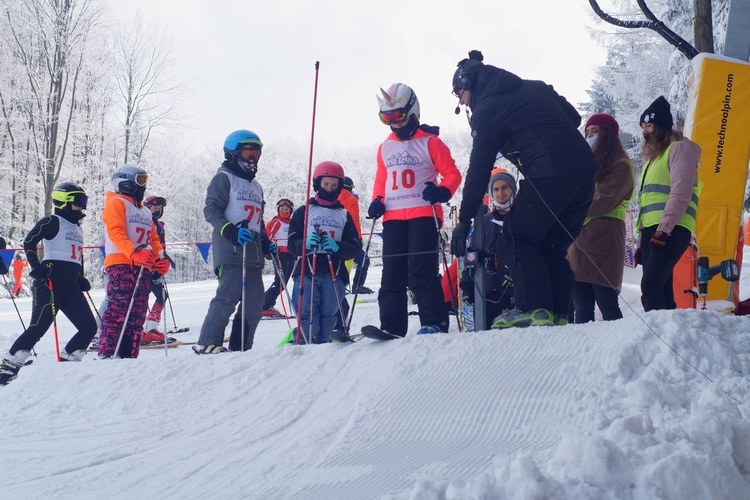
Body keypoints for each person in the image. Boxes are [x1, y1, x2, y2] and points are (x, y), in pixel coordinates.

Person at [449, 50, 597, 329]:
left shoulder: (487, 109)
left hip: (549, 172)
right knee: (551, 244)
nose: (462, 102)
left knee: (515, 237)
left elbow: (479, 168)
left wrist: (465, 219)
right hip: (586, 172)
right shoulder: (536, 87)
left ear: (468, 84)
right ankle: (558, 313)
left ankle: (535, 309)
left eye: (460, 95)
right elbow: (574, 117)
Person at [368, 83, 462, 337]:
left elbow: (452, 174)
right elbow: (382, 179)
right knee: (392, 275)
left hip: (423, 214)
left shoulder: (430, 142)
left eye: (398, 116)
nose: (394, 124)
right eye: (386, 118)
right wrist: (377, 200)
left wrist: (442, 191)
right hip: (393, 217)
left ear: (412, 111)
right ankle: (392, 326)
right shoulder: (385, 147)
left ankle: (434, 322)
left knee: (421, 271)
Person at [0, 183, 97, 385]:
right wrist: (36, 267)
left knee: (88, 327)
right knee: (38, 328)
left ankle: (68, 362)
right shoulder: (53, 221)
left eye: (84, 202)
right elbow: (29, 241)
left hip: (71, 286)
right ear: (65, 201)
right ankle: (8, 367)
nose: (83, 207)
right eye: (79, 202)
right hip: (50, 282)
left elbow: (77, 256)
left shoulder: (77, 228)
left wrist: (80, 277)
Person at [195, 130, 276, 354]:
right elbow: (211, 209)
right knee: (228, 296)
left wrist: (266, 242)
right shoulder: (224, 178)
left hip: (254, 252)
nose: (252, 159)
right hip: (231, 248)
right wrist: (229, 230)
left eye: (256, 154)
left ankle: (242, 345)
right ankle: (208, 342)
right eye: (248, 152)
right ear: (232, 154)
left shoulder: (256, 187)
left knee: (255, 303)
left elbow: (258, 220)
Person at [636, 96, 702, 311]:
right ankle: (668, 332)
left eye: (650, 125)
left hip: (671, 228)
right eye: (643, 126)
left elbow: (680, 191)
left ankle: (657, 336)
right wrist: (640, 242)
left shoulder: (679, 149)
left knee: (651, 285)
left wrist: (664, 229)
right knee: (661, 287)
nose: (646, 131)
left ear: (662, 127)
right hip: (652, 229)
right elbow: (648, 202)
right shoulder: (654, 158)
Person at [568, 113, 635, 323]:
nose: (589, 136)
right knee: (582, 308)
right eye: (587, 132)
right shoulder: (583, 166)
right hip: (578, 243)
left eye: (594, 131)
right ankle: (585, 353)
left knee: (607, 304)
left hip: (604, 241)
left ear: (608, 135)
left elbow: (602, 199)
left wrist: (571, 205)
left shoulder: (621, 165)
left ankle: (618, 349)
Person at [98, 165, 169, 359]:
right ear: (126, 182)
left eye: (145, 180)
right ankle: (108, 353)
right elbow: (116, 232)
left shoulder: (145, 212)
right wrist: (133, 251)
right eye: (140, 180)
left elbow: (152, 240)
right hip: (120, 263)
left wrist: (160, 259)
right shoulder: (117, 202)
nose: (143, 186)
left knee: (137, 313)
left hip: (142, 266)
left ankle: (129, 356)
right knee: (119, 309)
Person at [288, 161, 361, 344]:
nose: (330, 188)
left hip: (333, 272)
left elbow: (353, 247)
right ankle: (302, 341)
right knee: (306, 312)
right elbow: (291, 244)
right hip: (307, 270)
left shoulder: (344, 215)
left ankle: (324, 345)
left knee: (329, 312)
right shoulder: (303, 211)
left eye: (335, 185)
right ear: (317, 183)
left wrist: (337, 247)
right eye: (326, 184)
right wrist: (304, 244)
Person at [459, 168, 517, 328]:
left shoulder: (522, 218)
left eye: (505, 188)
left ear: (513, 190)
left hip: (515, 292)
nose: (501, 193)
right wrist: (467, 285)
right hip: (486, 291)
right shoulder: (483, 222)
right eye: (496, 189)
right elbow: (471, 255)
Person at [141, 195, 175, 344]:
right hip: (145, 267)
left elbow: (159, 246)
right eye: (154, 206)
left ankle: (150, 329)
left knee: (161, 296)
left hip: (156, 267)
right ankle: (141, 330)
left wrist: (166, 259)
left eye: (159, 207)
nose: (157, 209)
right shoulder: (145, 222)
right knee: (140, 299)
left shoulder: (159, 225)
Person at [261, 198, 295, 317]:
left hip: (291, 254)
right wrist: (270, 251)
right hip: (280, 255)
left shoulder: (292, 223)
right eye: (282, 209)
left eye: (287, 209)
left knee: (284, 281)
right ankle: (264, 305)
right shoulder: (276, 222)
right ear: (278, 210)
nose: (285, 211)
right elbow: (267, 237)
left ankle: (264, 304)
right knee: (280, 281)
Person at [340, 177, 372, 295]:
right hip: (351, 237)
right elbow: (354, 220)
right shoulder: (352, 200)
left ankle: (340, 286)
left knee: (340, 262)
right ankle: (357, 285)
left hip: (336, 237)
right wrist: (358, 239)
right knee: (364, 260)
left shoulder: (332, 198)